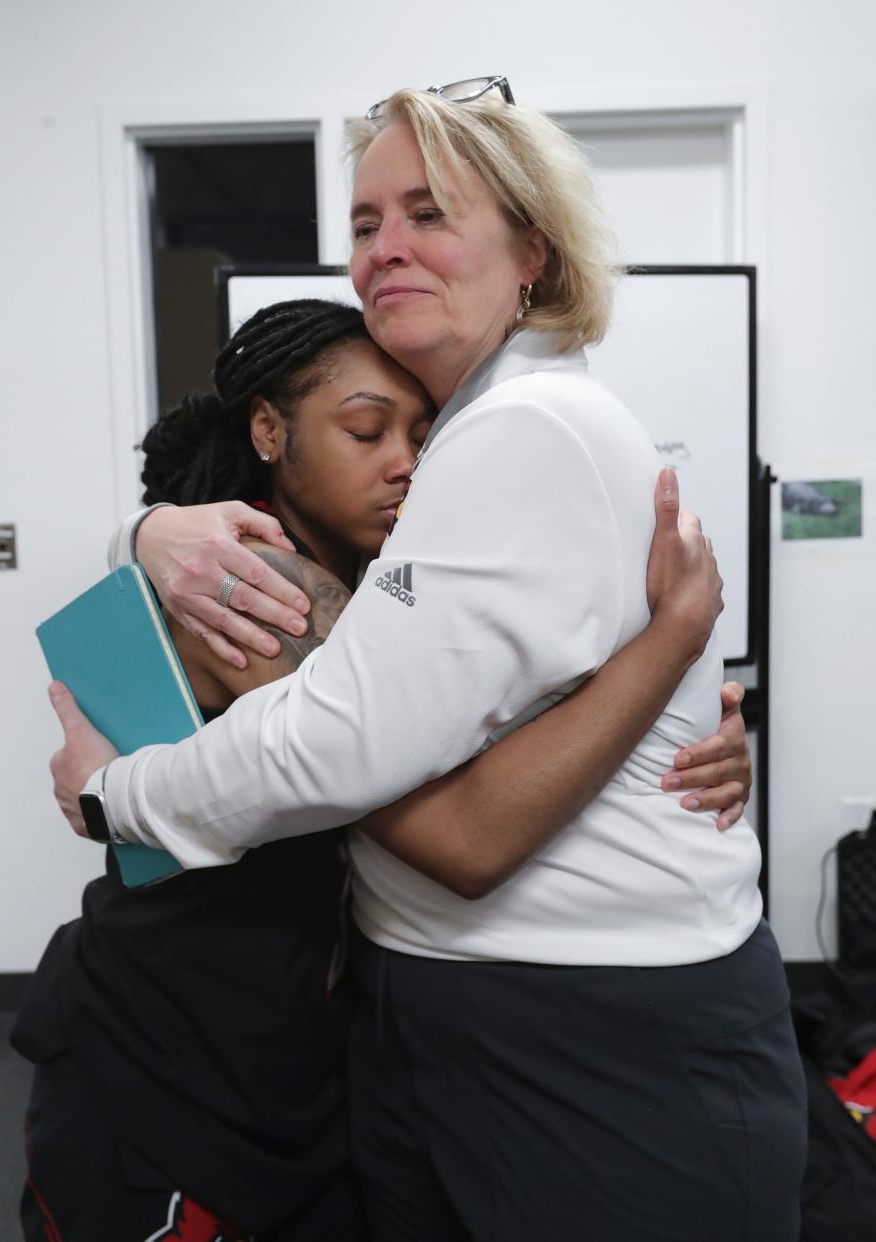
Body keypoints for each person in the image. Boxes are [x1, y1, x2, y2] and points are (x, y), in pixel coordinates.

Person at [49, 79, 803, 1242]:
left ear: (531, 255)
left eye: (429, 212)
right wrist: (664, 658)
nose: (384, 248)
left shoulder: (519, 430)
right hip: (297, 1038)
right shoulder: (343, 510)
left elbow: (399, 789)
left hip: (572, 1035)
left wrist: (113, 798)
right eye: (363, 224)